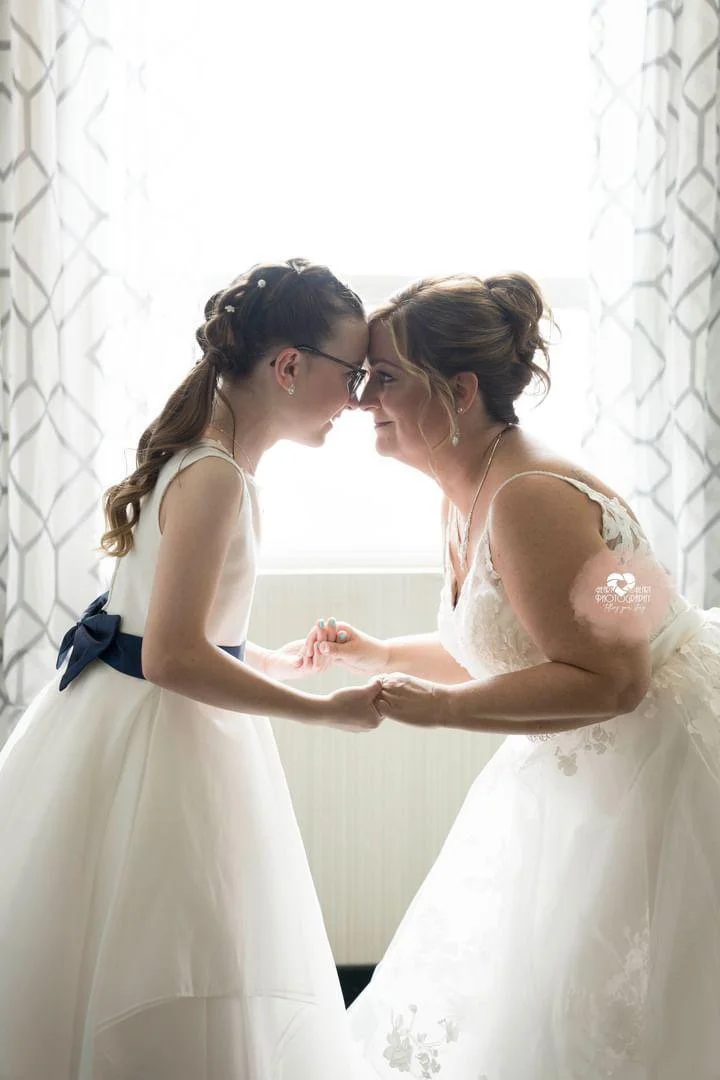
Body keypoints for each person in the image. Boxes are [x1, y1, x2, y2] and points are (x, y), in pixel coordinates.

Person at [301, 272, 720, 1078]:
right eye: (362, 379)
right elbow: (520, 642)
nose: (360, 401)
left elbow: (614, 678)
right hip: (592, 771)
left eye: (384, 379)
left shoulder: (532, 497)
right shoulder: (469, 485)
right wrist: (385, 654)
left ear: (458, 390)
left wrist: (447, 709)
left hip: (662, 770)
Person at [0, 259, 383, 1080]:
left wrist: (269, 659)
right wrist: (321, 710)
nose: (356, 399)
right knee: (180, 944)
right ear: (288, 366)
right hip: (161, 739)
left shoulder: (212, 463)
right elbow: (173, 656)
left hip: (129, 714)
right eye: (350, 374)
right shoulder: (215, 477)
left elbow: (169, 634)